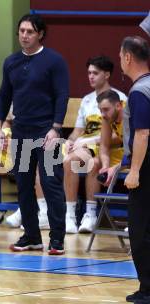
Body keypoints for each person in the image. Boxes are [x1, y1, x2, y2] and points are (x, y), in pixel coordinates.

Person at [0, 14, 69, 255]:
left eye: (30, 31)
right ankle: (32, 236)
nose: (24, 35)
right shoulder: (11, 62)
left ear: (40, 34)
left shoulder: (54, 61)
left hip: (46, 131)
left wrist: (55, 128)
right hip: (21, 132)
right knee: (24, 185)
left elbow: (62, 96)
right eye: (22, 31)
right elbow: (4, 95)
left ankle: (57, 238)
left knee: (50, 184)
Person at [63, 56, 127, 234]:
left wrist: (90, 141)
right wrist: (69, 141)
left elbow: (117, 136)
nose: (90, 76)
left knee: (85, 162)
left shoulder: (120, 99)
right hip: (86, 145)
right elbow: (78, 130)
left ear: (107, 75)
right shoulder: (87, 100)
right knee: (61, 159)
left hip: (103, 147)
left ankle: (89, 215)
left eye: (95, 73)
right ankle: (68, 216)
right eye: (89, 73)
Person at [117, 36, 150, 304]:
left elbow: (142, 133)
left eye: (120, 56)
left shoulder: (140, 91)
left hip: (146, 169)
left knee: (140, 231)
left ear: (128, 57)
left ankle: (148, 290)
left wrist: (135, 170)